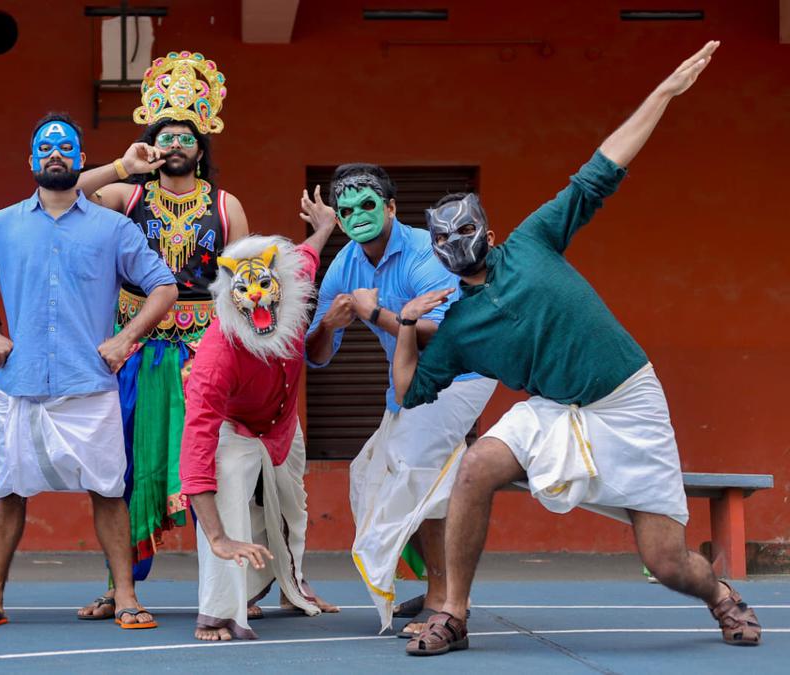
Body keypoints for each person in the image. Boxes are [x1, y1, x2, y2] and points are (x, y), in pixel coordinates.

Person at [392, 42, 761, 655]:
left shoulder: (535, 240)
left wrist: (663, 93)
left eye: (465, 230)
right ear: (434, 250)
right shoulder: (457, 328)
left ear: (488, 230)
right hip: (557, 411)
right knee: (476, 465)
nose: (455, 242)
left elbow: (601, 168)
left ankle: (720, 594)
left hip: (629, 402)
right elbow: (411, 392)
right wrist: (406, 326)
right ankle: (452, 614)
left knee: (666, 562)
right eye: (442, 238)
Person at [0, 113, 178, 631]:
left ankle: (126, 596)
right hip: (21, 386)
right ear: (31, 162)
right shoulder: (2, 225)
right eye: (45, 148)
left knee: (110, 493)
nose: (55, 154)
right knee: (8, 491)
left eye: (65, 148)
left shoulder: (113, 227)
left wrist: (124, 338)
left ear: (80, 159)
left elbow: (164, 286)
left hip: (89, 385)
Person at [72, 51, 250, 620]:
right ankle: (120, 586)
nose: (175, 145)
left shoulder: (226, 207)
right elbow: (70, 193)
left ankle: (225, 592)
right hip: (136, 350)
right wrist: (126, 167)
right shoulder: (129, 197)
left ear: (203, 146)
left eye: (185, 137)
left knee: (212, 470)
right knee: (123, 468)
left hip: (205, 354)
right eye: (165, 136)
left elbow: (245, 282)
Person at [303, 168, 496, 637]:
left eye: (367, 205)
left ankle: (446, 601)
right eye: (346, 211)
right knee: (369, 474)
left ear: (390, 206)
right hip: (408, 387)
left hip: (462, 374)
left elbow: (444, 334)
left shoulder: (423, 251)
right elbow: (317, 355)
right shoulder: (346, 262)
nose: (356, 216)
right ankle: (436, 589)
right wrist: (330, 324)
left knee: (415, 472)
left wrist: (374, 313)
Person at [178, 194, 340, 641]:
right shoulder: (217, 355)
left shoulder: (297, 281)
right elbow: (196, 452)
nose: (256, 300)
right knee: (230, 507)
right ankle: (218, 612)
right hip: (236, 427)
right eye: (243, 294)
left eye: (266, 288)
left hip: (285, 423)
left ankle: (292, 587)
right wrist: (216, 537)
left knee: (294, 509)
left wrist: (325, 224)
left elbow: (307, 253)